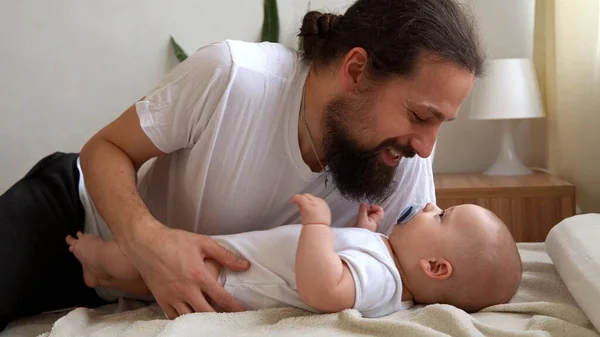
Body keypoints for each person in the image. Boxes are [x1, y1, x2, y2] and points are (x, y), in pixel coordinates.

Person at [0, 0, 485, 329]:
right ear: (356, 70)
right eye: (421, 116)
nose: (426, 146)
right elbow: (103, 148)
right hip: (81, 217)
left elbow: (420, 276)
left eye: (440, 123)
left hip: (145, 291)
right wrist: (148, 243)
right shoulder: (233, 77)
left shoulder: (402, 156)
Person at [65, 193, 523, 317]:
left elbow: (326, 288)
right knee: (148, 282)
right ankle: (102, 274)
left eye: (441, 215)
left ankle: (98, 259)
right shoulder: (384, 261)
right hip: (237, 264)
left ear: (435, 268)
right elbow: (349, 266)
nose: (428, 204)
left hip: (233, 275)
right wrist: (363, 230)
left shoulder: (384, 278)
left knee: (143, 265)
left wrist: (319, 225)